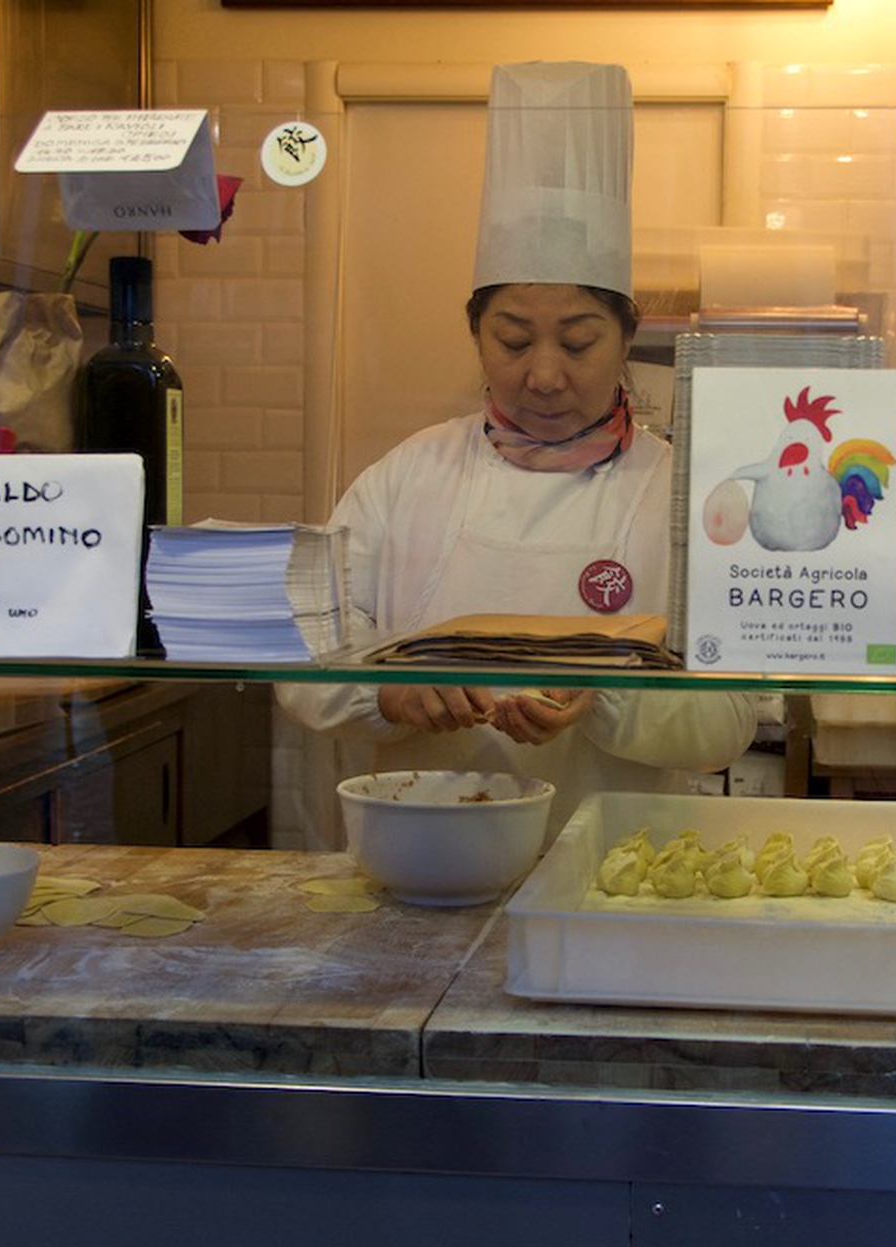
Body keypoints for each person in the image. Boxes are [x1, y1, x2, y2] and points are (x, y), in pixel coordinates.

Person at [282, 62, 756, 826]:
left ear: (627, 337)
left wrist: (603, 696)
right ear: (475, 332)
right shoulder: (406, 479)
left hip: (615, 871)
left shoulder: (683, 497)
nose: (544, 375)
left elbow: (730, 720)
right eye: (511, 339)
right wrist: (387, 691)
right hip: (423, 859)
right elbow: (298, 648)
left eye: (578, 342)